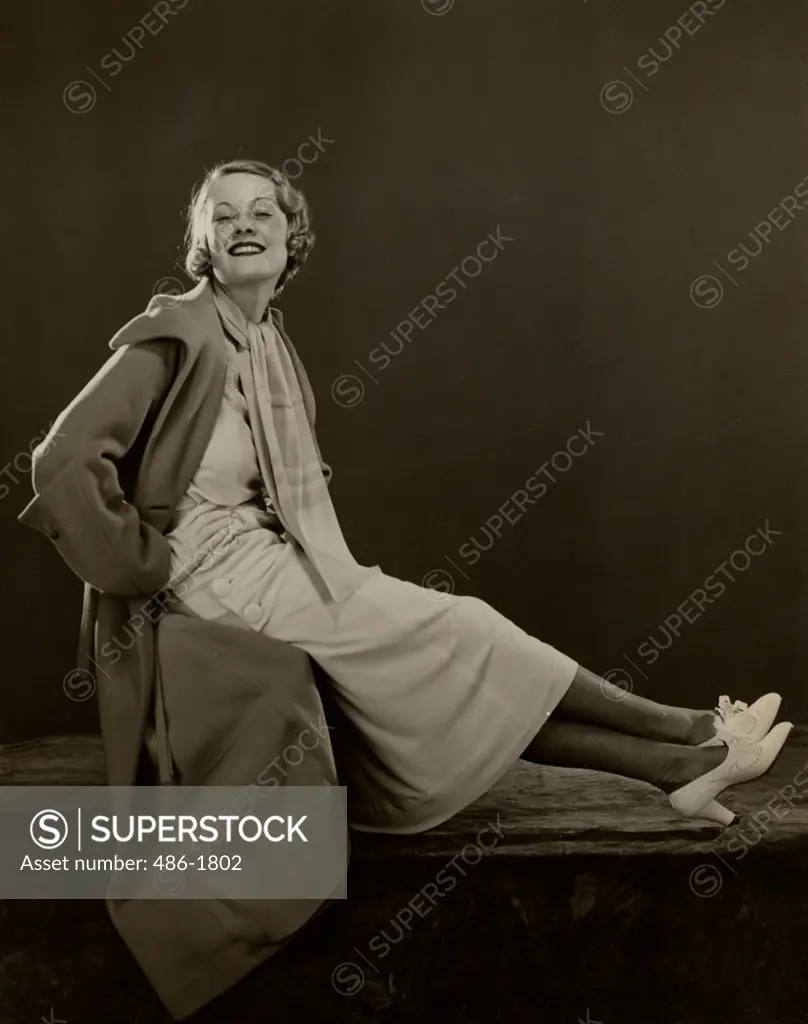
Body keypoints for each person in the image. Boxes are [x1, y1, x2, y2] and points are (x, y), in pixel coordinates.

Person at [26, 158, 793, 835]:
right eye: (222, 215)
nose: (243, 224)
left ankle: (680, 767)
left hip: (273, 563)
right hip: (215, 581)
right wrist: (142, 565)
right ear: (203, 246)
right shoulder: (179, 332)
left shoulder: (266, 342)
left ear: (293, 238)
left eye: (263, 211)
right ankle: (693, 730)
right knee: (467, 631)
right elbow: (61, 459)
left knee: (459, 671)